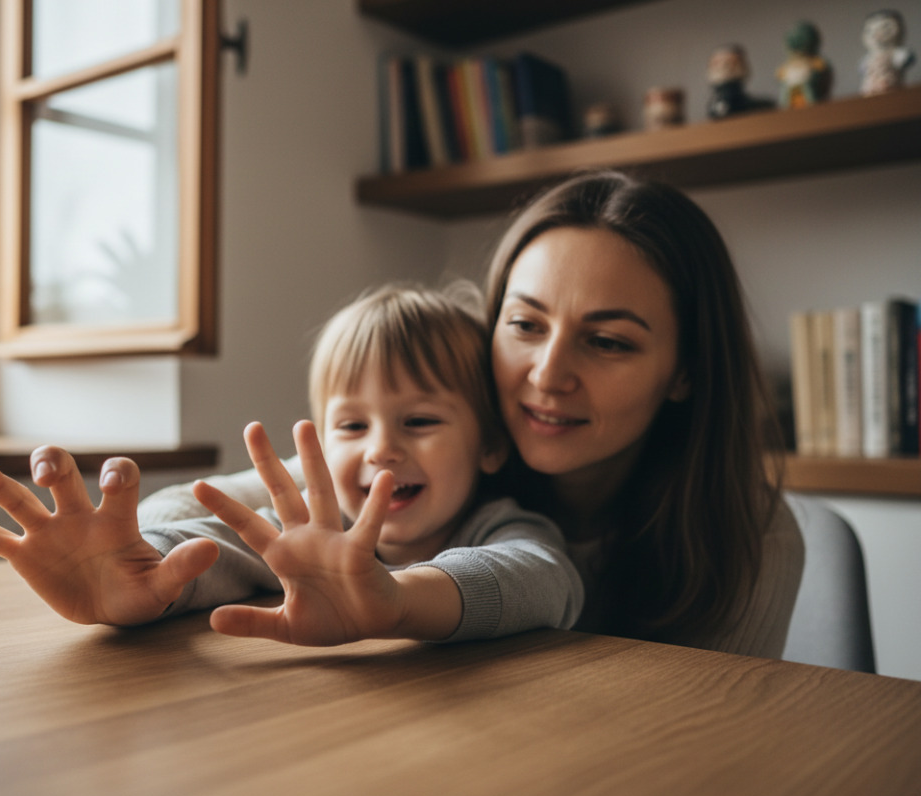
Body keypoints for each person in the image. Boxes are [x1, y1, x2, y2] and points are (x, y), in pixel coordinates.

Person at [140, 170, 804, 658]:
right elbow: (185, 515)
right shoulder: (430, 455)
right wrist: (134, 566)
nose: (546, 375)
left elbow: (721, 737)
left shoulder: (753, 540)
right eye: (524, 324)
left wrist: (396, 595)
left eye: (607, 341)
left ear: (686, 370)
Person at [0, 283, 583, 645]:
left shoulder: (500, 527)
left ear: (491, 446)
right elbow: (214, 547)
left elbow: (540, 580)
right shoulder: (305, 534)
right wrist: (140, 571)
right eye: (352, 425)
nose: (381, 448)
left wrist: (399, 601)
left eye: (420, 421)